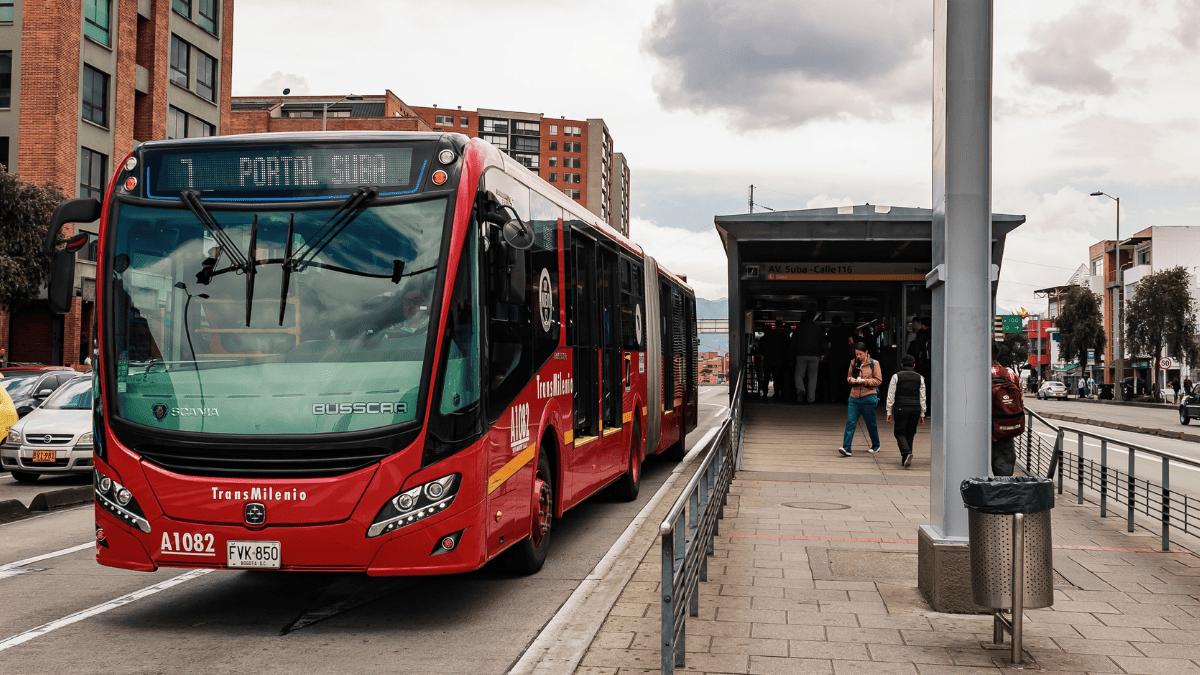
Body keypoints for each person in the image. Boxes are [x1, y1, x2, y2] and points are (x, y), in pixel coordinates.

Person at [838, 343, 882, 457]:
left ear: (866, 352)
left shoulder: (874, 363)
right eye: (856, 354)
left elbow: (878, 380)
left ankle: (876, 444)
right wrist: (851, 380)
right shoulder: (853, 362)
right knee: (850, 422)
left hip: (869, 396)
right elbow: (848, 376)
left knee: (870, 423)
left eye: (860, 354)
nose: (858, 356)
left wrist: (864, 381)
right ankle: (846, 448)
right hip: (854, 396)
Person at [886, 354, 925, 468]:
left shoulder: (896, 376)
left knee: (899, 433)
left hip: (901, 408)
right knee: (910, 434)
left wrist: (889, 411)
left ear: (902, 365)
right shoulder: (920, 378)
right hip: (915, 408)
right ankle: (906, 459)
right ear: (914, 365)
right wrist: (922, 413)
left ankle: (906, 453)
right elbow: (922, 397)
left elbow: (891, 394)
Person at [992, 346, 1021, 476]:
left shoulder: (976, 374)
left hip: (981, 435)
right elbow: (1020, 403)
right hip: (1005, 433)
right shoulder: (1011, 374)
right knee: (1004, 482)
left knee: (977, 481)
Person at [790, 313, 827, 404]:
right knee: (813, 377)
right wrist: (823, 354)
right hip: (815, 355)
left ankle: (801, 389)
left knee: (799, 375)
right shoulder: (818, 328)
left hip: (801, 354)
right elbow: (823, 342)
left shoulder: (799, 328)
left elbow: (793, 343)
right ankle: (811, 398)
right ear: (814, 317)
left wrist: (793, 354)